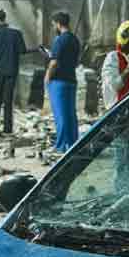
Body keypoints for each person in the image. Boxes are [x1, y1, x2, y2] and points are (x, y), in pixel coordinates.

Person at [0, 9, 27, 136]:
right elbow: (22, 51)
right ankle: (8, 129)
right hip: (12, 70)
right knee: (8, 100)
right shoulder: (16, 33)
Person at [44, 11, 82, 152]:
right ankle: (73, 144)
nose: (54, 27)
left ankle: (60, 146)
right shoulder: (74, 39)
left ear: (58, 24)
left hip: (58, 82)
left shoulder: (60, 40)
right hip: (71, 79)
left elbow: (54, 62)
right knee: (70, 114)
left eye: (54, 24)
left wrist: (47, 76)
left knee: (60, 115)